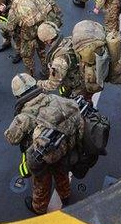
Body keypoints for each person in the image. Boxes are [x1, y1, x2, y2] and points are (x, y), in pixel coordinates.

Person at [5, 73, 83, 215]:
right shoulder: (54, 98)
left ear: (17, 96)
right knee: (62, 173)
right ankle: (65, 195)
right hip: (62, 149)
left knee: (41, 183)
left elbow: (11, 138)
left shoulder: (23, 117)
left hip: (42, 156)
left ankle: (39, 208)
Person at [36, 22, 84, 98]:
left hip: (76, 87)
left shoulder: (59, 60)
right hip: (80, 75)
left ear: (46, 40)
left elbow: (52, 85)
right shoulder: (68, 40)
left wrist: (38, 84)